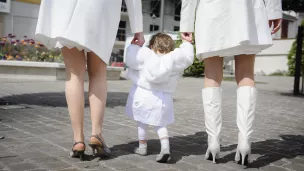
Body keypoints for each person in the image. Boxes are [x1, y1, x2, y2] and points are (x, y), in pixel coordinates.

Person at [34, 0, 145, 160]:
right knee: (98, 73)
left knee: (73, 74)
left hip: (65, 7)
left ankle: (78, 140)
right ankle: (96, 134)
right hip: (100, 6)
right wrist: (137, 28)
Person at [180, 0, 282, 165]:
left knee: (211, 76)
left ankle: (213, 142)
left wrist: (186, 22)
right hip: (245, 9)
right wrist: (274, 9)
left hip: (211, 10)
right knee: (246, 74)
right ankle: (244, 141)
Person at [125, 33, 194, 163]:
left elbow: (131, 59)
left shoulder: (145, 56)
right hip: (162, 99)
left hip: (143, 96)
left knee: (141, 122)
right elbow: (187, 58)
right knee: (160, 124)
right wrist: (187, 43)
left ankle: (142, 147)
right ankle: (165, 148)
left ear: (151, 45)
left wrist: (135, 46)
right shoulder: (174, 59)